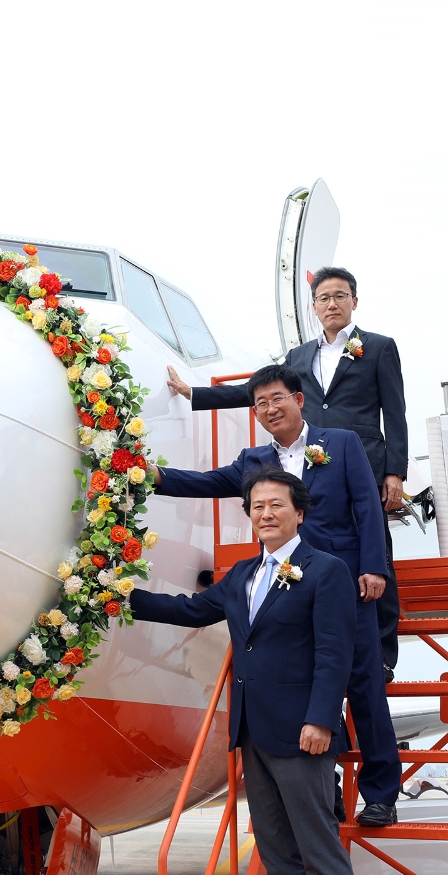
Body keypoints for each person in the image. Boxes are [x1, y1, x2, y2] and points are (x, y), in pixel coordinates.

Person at [132, 469, 363, 875]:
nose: (265, 513)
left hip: (303, 733)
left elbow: (335, 653)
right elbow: (190, 611)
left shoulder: (324, 571)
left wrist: (321, 720)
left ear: (299, 512)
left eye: (276, 505)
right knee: (278, 854)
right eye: (257, 506)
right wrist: (122, 597)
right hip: (252, 734)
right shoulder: (241, 576)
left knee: (320, 852)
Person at [152, 364, 400, 826]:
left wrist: (373, 569)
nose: (269, 409)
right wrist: (153, 476)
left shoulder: (341, 444)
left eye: (276, 399)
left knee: (363, 686)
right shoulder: (252, 461)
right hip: (288, 595)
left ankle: (381, 792)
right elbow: (205, 483)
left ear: (298, 400)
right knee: (303, 692)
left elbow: (367, 506)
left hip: (347, 588)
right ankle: (323, 789)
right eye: (260, 403)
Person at [166, 267, 407, 680]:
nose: (332, 304)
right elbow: (258, 391)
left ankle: (382, 655)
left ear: (354, 301)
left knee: (375, 555)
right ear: (314, 306)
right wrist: (197, 394)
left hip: (362, 457)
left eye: (340, 296)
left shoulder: (380, 348)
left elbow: (395, 412)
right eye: (324, 298)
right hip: (315, 464)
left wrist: (395, 473)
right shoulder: (297, 358)